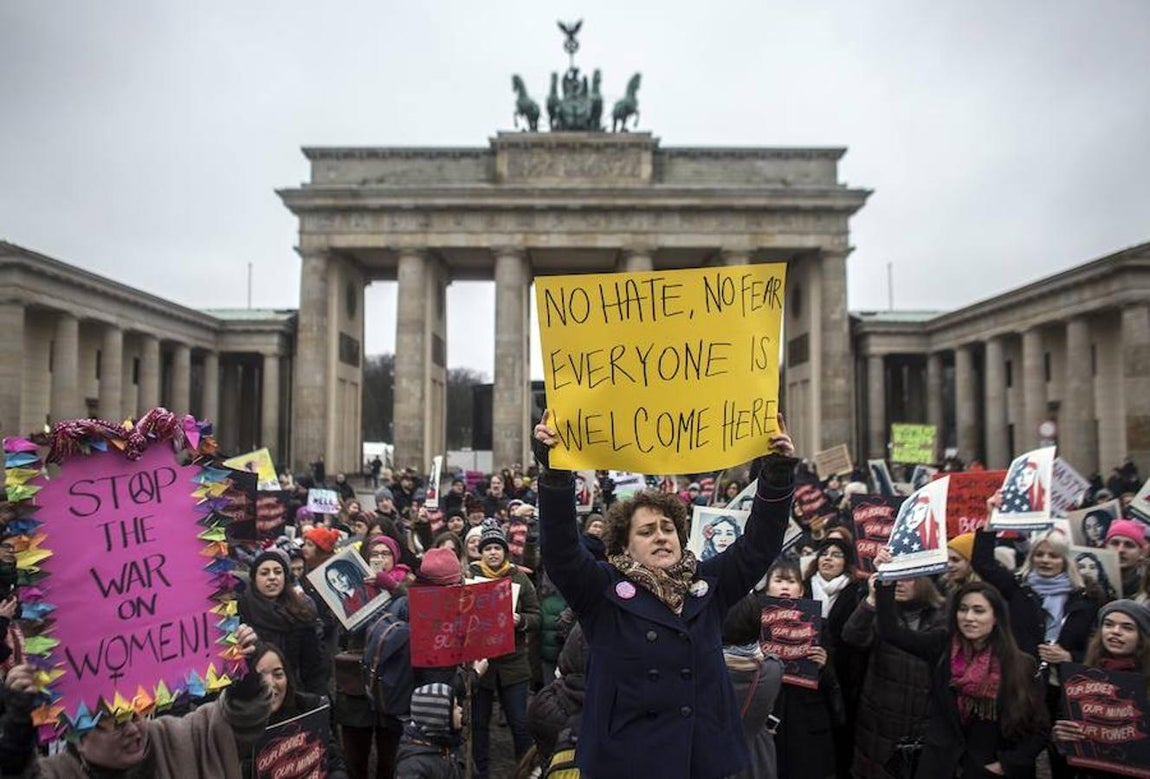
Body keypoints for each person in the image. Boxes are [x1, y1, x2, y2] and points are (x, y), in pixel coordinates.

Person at [533, 409, 796, 779]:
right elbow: (560, 551)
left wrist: (777, 476)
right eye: (646, 531)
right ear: (623, 548)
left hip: (699, 759)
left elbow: (760, 544)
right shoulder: (602, 591)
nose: (660, 536)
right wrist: (555, 474)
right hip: (627, 761)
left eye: (668, 528)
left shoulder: (710, 584)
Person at [0, 624, 270, 777]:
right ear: (80, 739)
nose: (132, 728)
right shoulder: (59, 773)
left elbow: (238, 721)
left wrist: (244, 678)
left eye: (135, 715)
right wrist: (18, 728)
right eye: (116, 723)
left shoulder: (175, 738)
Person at [873, 563, 1049, 778]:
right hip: (940, 765)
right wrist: (886, 579)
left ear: (996, 618)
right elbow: (891, 632)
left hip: (988, 769)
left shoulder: (1020, 664)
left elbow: (1039, 730)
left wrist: (1006, 764)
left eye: (979, 611)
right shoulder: (942, 645)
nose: (969, 618)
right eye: (963, 609)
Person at [724, 560, 838, 779]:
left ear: (802, 589)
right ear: (767, 588)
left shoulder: (819, 623)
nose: (785, 587)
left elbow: (833, 682)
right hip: (763, 712)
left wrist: (824, 665)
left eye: (791, 581)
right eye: (778, 580)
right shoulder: (750, 620)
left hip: (803, 717)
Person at [843, 574, 946, 779]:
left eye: (908, 578)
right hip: (878, 721)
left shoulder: (943, 616)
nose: (899, 583)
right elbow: (852, 636)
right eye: (894, 578)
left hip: (922, 722)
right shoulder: (882, 612)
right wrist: (872, 600)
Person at [466, 521, 540, 779]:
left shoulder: (519, 578)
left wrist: (522, 620)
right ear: (481, 552)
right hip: (481, 664)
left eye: (498, 548)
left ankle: (525, 771)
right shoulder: (470, 577)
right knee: (478, 724)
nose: (493, 553)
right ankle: (480, 772)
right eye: (488, 548)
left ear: (505, 551)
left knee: (520, 724)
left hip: (513, 665)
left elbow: (537, 615)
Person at [1052, 599, 1150, 769]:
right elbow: (1066, 728)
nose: (1115, 632)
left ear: (1142, 636)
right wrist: (1061, 737)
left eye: (1127, 628)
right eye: (1108, 624)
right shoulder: (1081, 676)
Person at [244, 643, 348, 779]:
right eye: (259, 677)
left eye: (278, 674)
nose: (270, 683)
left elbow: (334, 762)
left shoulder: (309, 709)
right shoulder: (233, 729)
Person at [238, 549, 327, 696]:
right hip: (252, 697)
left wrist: (319, 700)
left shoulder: (301, 611)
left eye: (278, 572)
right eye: (265, 573)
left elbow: (313, 668)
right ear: (254, 578)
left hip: (292, 695)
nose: (272, 577)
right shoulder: (241, 610)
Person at [394, 683, 466, 779]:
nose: (461, 710)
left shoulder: (451, 746)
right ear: (439, 717)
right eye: (455, 707)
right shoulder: (413, 766)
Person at [1105, 519, 1146, 599]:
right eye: (1115, 543)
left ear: (1141, 553)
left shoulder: (1145, 591)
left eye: (1129, 545)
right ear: (1105, 547)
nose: (1120, 550)